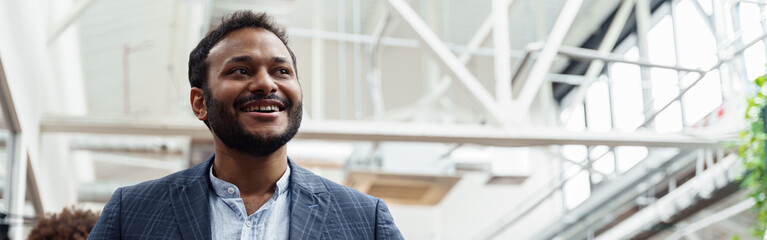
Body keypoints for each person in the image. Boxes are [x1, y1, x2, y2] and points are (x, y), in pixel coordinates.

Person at [88, 10, 403, 240]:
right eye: (240, 71)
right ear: (200, 103)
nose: (266, 84)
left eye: (282, 71)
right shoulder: (132, 214)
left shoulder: (364, 220)